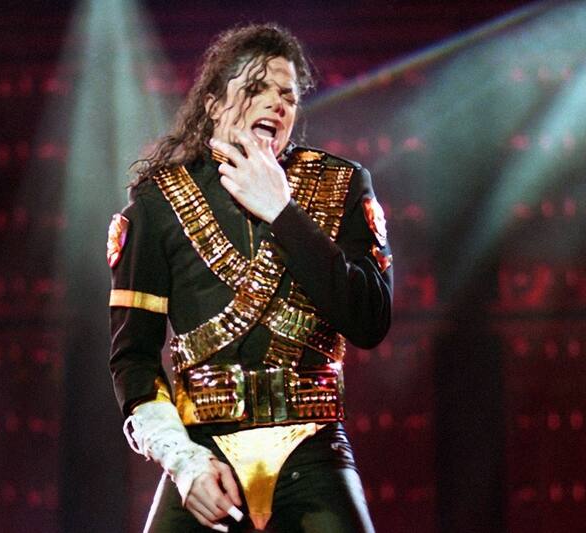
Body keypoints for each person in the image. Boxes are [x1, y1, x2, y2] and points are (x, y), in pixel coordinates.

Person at [108, 23, 392, 533]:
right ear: (215, 104)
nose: (277, 104)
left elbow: (370, 322)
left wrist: (283, 212)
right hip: (205, 453)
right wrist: (185, 464)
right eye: (257, 88)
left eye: (288, 95)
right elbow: (134, 359)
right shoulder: (157, 202)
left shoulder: (343, 183)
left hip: (314, 450)